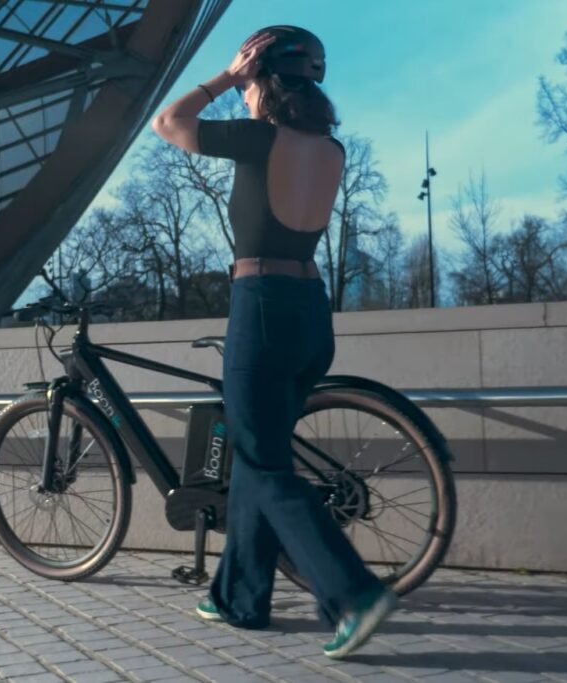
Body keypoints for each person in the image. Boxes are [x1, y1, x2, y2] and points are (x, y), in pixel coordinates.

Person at [151, 25, 396, 659]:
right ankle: (239, 595)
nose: (240, 96)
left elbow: (168, 122)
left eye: (248, 84)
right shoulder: (333, 149)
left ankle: (353, 593)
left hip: (259, 309)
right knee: (263, 459)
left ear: (263, 79)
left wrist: (226, 77)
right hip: (313, 315)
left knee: (262, 464)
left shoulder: (259, 138)